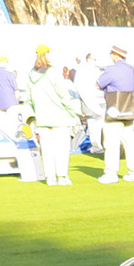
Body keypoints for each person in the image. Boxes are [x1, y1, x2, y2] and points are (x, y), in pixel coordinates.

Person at [26, 44, 82, 186]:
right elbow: (64, 95)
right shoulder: (53, 72)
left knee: (47, 149)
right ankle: (62, 176)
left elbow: (29, 97)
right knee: (62, 148)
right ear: (46, 55)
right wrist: (74, 111)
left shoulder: (31, 74)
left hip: (42, 117)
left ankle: (50, 177)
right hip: (59, 116)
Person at [96, 44, 134, 184]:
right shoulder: (131, 69)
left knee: (111, 143)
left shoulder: (111, 70)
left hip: (114, 110)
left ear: (115, 55)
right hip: (129, 109)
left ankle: (111, 173)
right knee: (130, 143)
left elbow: (98, 85)